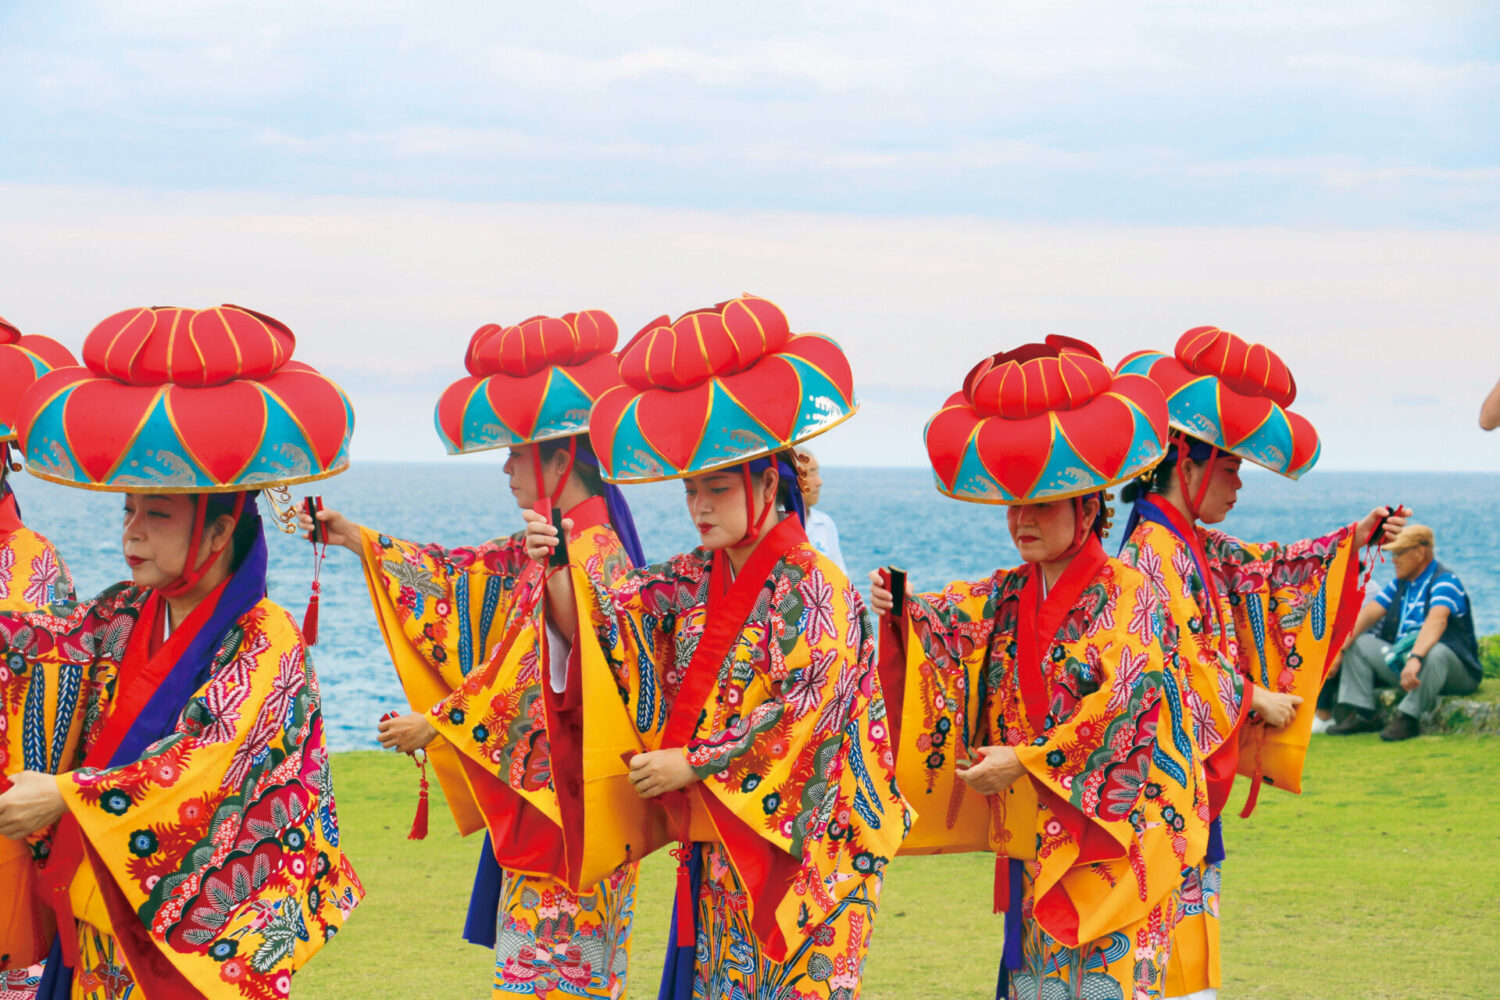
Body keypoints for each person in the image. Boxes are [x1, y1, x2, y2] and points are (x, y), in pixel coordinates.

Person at [526, 294, 909, 1000]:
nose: (698, 505)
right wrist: (554, 570)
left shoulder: (816, 585)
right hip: (724, 830)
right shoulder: (696, 573)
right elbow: (607, 627)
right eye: (691, 489)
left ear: (769, 482)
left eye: (716, 487)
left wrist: (693, 762)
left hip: (815, 843)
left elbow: (807, 714)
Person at [0, 304, 362, 999]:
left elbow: (203, 766)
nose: (132, 533)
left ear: (220, 531)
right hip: (107, 911)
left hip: (199, 931)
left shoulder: (266, 639)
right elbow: (47, 649)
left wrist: (68, 796)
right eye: (128, 510)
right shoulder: (126, 609)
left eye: (156, 514)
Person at [302, 310, 646, 999]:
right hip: (563, 803)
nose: (507, 470)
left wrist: (441, 722)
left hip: (565, 807)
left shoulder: (589, 553)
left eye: (519, 455)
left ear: (559, 459)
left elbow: (551, 677)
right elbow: (460, 573)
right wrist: (359, 540)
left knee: (552, 979)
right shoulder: (566, 545)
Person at [871, 335, 1206, 1000]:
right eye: (1014, 505)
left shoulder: (1132, 592)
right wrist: (901, 610)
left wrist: (1023, 762)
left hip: (1118, 837)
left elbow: (1122, 708)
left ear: (1088, 507)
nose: (1022, 519)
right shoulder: (1009, 593)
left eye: (1042, 505)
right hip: (1039, 831)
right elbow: (953, 628)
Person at [1115, 326, 1405, 1000]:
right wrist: (1248, 698)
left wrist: (1353, 540)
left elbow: (1264, 574)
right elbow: (1165, 663)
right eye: (1231, 467)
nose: (1239, 484)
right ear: (1185, 460)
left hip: (1183, 791)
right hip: (1157, 795)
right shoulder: (1152, 550)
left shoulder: (1183, 542)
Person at [1328, 524, 1480, 741]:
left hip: (1453, 671)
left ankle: (1408, 717)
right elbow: (1368, 614)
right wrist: (1340, 648)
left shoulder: (1445, 581)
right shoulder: (1399, 585)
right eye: (1393, 554)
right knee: (1359, 643)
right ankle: (1362, 713)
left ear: (1420, 552)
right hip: (1407, 663)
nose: (1394, 560)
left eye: (1399, 553)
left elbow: (1437, 621)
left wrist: (1416, 657)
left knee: (1436, 652)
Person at [795, 447, 847, 572]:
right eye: (811, 473)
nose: (819, 482)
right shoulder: (775, 524)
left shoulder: (825, 524)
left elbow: (840, 575)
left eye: (817, 472)